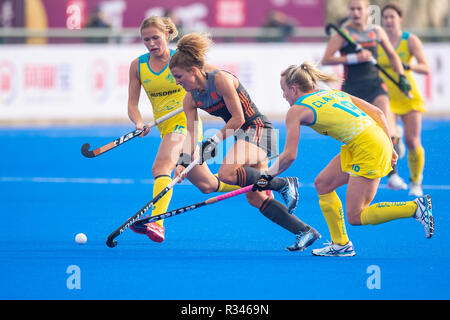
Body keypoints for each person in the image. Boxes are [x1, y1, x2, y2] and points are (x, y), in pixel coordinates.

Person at [252, 62, 434, 257]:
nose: (283, 95)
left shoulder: (295, 111)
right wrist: (389, 145)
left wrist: (266, 176)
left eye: (284, 90)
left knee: (356, 215)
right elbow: (378, 113)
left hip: (367, 147)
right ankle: (341, 245)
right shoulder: (333, 94)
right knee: (323, 184)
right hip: (367, 141)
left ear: (294, 89)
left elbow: (289, 156)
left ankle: (414, 208)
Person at [169, 32, 320, 251]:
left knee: (227, 173)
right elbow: (192, 134)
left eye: (179, 76)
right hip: (244, 136)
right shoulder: (189, 98)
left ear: (193, 71)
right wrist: (182, 162)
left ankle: (284, 183)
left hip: (258, 129)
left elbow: (239, 118)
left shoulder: (220, 79)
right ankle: (304, 231)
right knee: (256, 198)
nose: (177, 82)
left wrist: (213, 141)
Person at [127, 16, 238, 243]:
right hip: (164, 127)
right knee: (208, 185)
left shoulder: (182, 60)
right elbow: (132, 104)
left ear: (167, 35)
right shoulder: (137, 66)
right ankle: (255, 184)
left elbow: (218, 78)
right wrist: (138, 122)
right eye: (146, 39)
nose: (151, 43)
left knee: (161, 166)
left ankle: (157, 222)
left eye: (155, 37)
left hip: (186, 125)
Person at [321, 0, 411, 191]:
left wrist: (402, 77)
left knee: (386, 124)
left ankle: (393, 174)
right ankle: (354, 170)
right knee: (353, 133)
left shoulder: (376, 32)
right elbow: (327, 58)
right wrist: (353, 58)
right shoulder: (342, 34)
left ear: (367, 11)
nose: (355, 12)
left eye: (359, 9)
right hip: (352, 89)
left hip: (375, 86)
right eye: (352, 9)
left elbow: (392, 55)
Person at [379, 3, 429, 197]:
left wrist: (407, 66)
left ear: (400, 19)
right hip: (386, 96)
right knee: (388, 137)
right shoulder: (379, 42)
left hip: (407, 96)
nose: (389, 21)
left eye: (392, 17)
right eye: (386, 18)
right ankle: (394, 172)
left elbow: (425, 67)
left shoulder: (410, 40)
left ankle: (416, 181)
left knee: (412, 141)